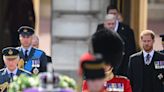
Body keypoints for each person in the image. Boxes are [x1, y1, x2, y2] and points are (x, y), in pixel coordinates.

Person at [96, 5, 136, 76]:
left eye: (113, 24)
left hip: (121, 70)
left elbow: (130, 52)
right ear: (105, 24)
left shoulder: (125, 34)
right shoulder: (99, 32)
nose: (111, 26)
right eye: (109, 24)